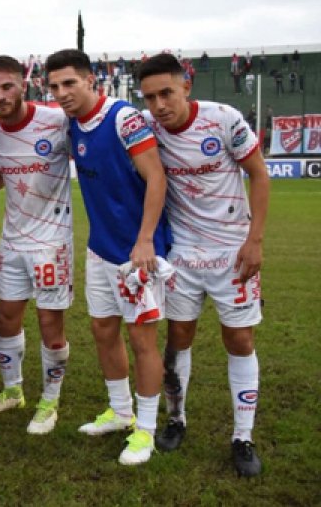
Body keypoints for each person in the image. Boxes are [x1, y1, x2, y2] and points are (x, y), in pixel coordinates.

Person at [138, 53, 269, 477]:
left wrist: (255, 240)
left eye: (166, 93)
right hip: (183, 257)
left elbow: (260, 175)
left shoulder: (223, 118)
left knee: (240, 341)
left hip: (234, 255)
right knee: (178, 338)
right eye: (150, 96)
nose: (159, 104)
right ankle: (177, 418)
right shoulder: (148, 130)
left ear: (186, 86)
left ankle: (242, 436)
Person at [45, 49, 171, 465]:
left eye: (70, 83)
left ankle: (146, 431)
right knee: (102, 329)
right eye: (55, 86)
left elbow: (156, 176)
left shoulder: (123, 118)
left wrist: (146, 240)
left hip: (137, 253)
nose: (61, 93)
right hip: (101, 250)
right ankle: (120, 412)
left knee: (142, 339)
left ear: (90, 82)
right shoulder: (74, 125)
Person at [0, 56, 73, 435]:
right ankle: (12, 391)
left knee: (50, 324)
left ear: (23, 85)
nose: (0, 96)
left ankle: (50, 401)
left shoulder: (56, 122)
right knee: (6, 317)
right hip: (13, 243)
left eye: (7, 87)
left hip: (52, 244)